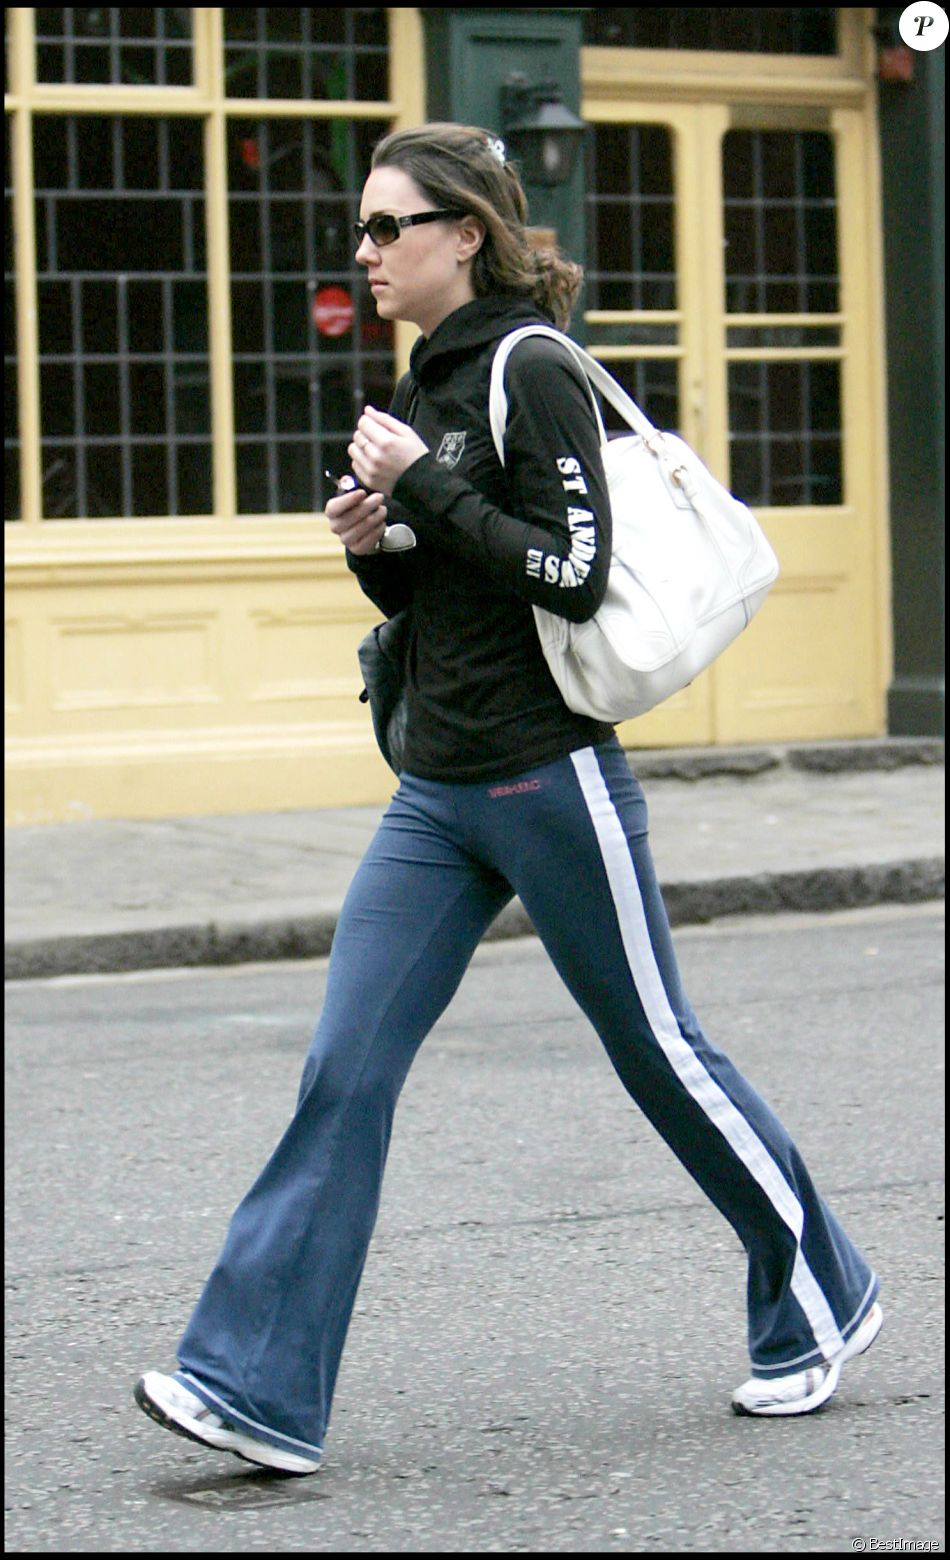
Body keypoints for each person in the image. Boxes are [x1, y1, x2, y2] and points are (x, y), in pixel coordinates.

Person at [135, 122, 882, 1477]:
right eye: (359, 230)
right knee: (342, 1070)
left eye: (386, 227)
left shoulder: (529, 369)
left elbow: (571, 575)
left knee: (660, 1056)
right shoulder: (421, 385)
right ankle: (253, 1386)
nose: (363, 252)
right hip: (436, 787)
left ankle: (821, 1293)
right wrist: (378, 546)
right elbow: (444, 593)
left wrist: (421, 488)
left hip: (548, 771)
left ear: (462, 234)